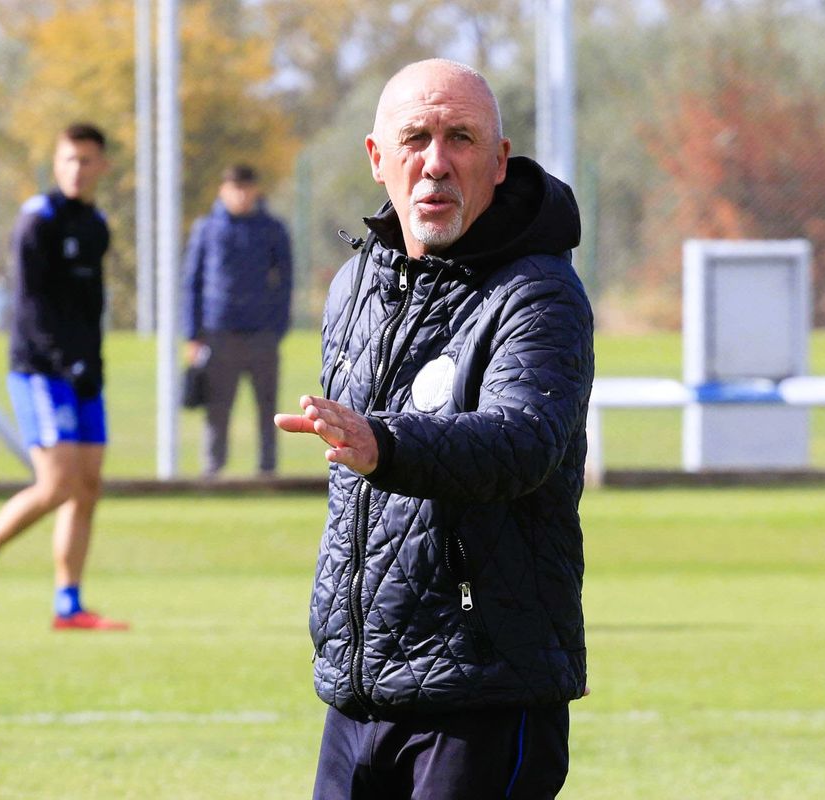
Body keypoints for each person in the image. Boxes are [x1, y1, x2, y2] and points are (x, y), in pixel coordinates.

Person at [274, 59, 593, 798]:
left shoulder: (539, 293)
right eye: (415, 137)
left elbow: (522, 441)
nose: (436, 163)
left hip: (483, 692)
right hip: (361, 692)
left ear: (499, 162)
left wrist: (384, 444)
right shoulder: (357, 286)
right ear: (378, 158)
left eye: (461, 138)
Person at [0, 122, 127, 631]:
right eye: (69, 159)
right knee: (56, 484)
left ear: (102, 166)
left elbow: (88, 307)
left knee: (87, 486)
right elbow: (31, 307)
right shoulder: (37, 221)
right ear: (56, 163)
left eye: (87, 160)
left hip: (83, 372)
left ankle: (68, 604)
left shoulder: (96, 224)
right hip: (40, 370)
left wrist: (91, 366)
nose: (77, 169)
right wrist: (64, 362)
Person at [182, 164, 293, 477]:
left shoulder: (272, 229)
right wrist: (193, 334)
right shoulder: (207, 228)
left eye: (246, 188)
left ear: (256, 190)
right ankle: (213, 471)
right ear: (223, 190)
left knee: (267, 407)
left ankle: (267, 471)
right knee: (217, 408)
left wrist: (276, 327)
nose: (241, 195)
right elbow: (192, 282)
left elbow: (284, 281)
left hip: (261, 334)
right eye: (235, 188)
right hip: (218, 333)